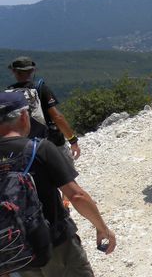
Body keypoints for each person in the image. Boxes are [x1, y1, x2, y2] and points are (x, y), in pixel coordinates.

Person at [0, 92, 116, 276]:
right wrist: (102, 228)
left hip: (12, 252)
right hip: (56, 244)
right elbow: (76, 196)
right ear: (23, 116)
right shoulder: (40, 149)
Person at [6, 56, 81, 164]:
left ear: (14, 72)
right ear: (32, 71)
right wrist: (72, 140)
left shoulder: (9, 93)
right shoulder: (40, 88)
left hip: (25, 145)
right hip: (52, 142)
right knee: (66, 173)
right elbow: (57, 117)